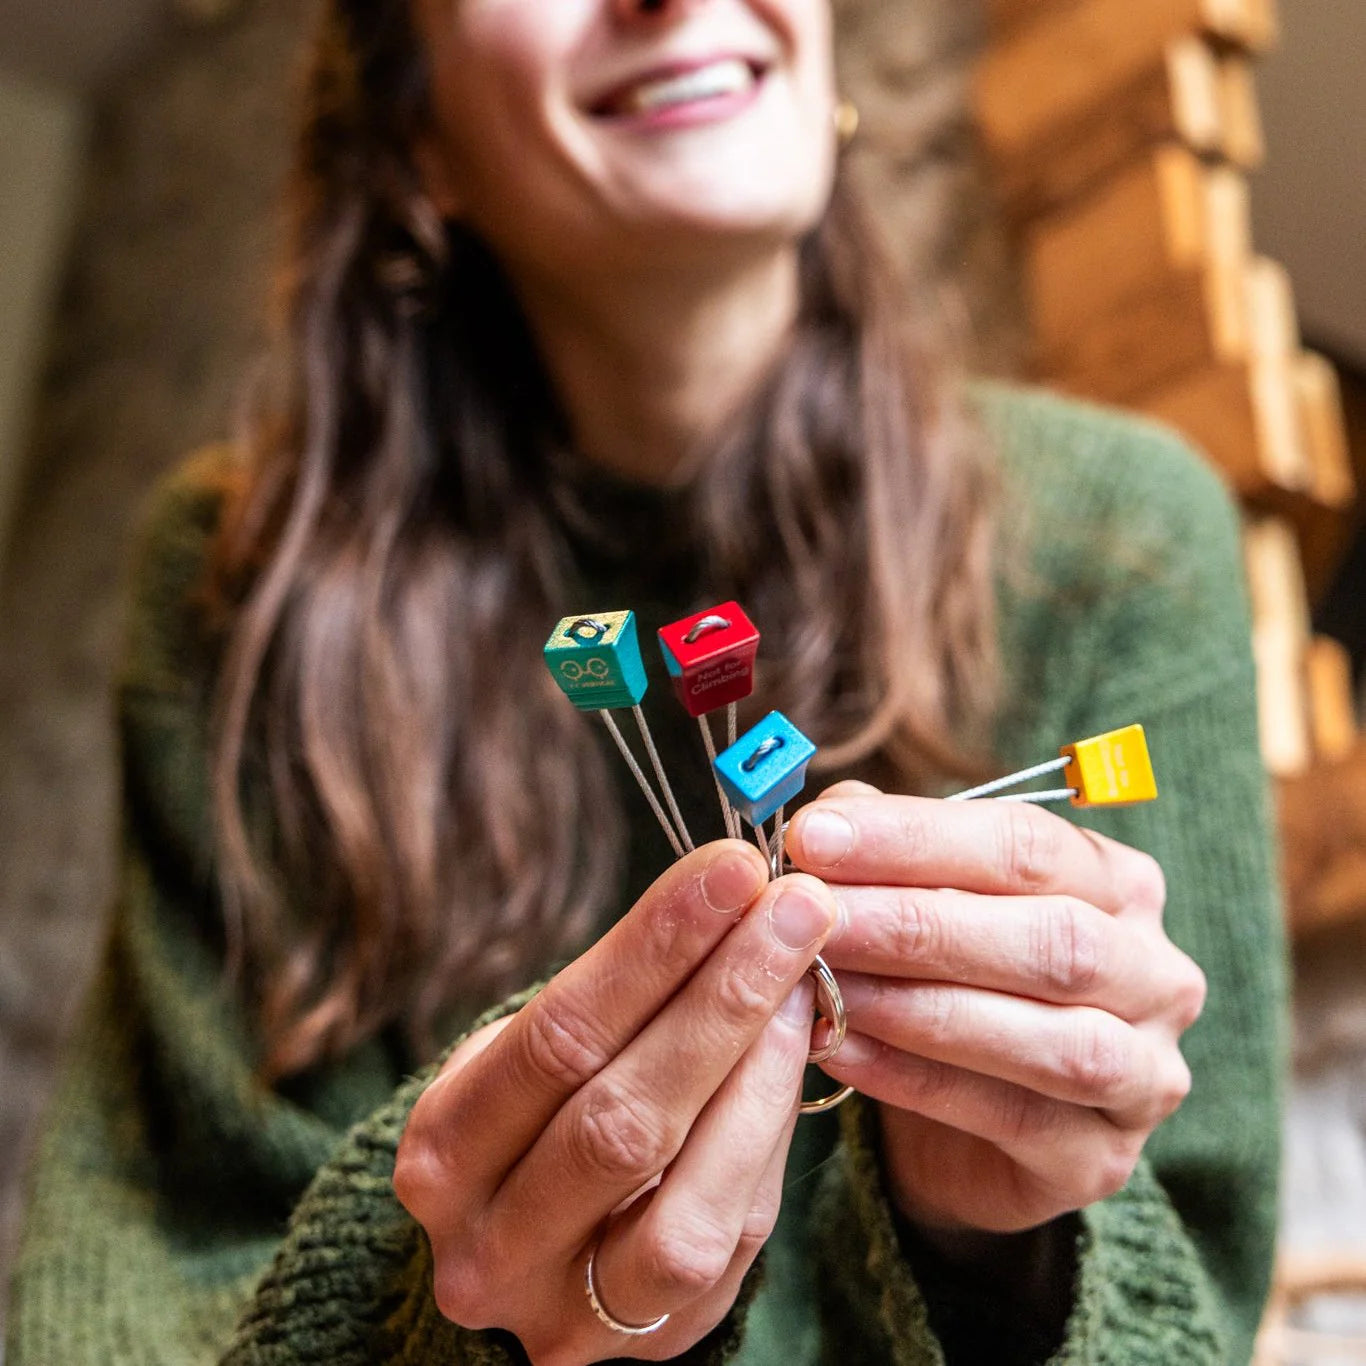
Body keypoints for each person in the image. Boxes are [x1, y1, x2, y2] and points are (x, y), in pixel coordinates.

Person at [6, 0, 1284, 1362]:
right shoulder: (241, 585)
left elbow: (1196, 1305)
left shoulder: (1118, 534)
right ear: (416, 132)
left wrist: (1002, 1243)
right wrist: (439, 1308)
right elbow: (130, 1305)